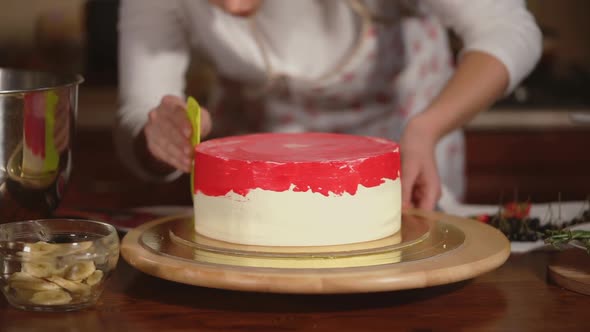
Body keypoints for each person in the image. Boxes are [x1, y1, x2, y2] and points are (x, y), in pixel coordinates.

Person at [114, 0, 542, 210]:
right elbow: (139, 110)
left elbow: (508, 28)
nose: (230, 7)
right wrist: (162, 139)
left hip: (405, 146)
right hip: (260, 186)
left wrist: (427, 128)